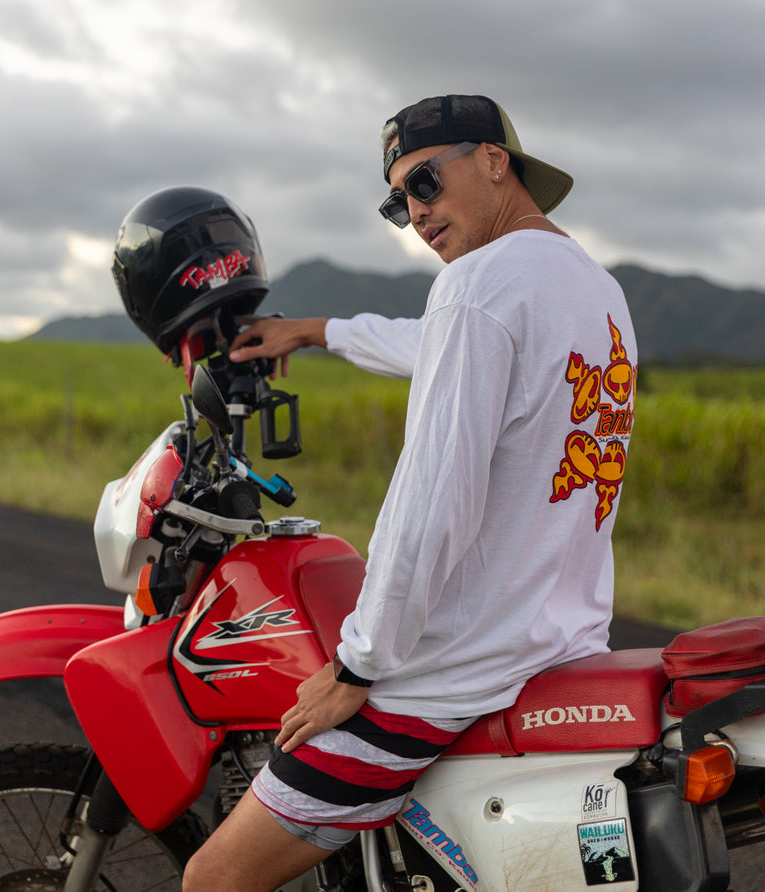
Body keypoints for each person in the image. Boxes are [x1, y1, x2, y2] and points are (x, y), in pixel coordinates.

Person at [182, 93, 637, 892]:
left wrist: (359, 667)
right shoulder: (590, 288)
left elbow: (432, 505)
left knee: (213, 877)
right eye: (398, 202)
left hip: (452, 675)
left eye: (425, 181)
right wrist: (319, 330)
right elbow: (438, 346)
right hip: (558, 645)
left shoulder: (479, 286)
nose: (416, 213)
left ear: (495, 162)